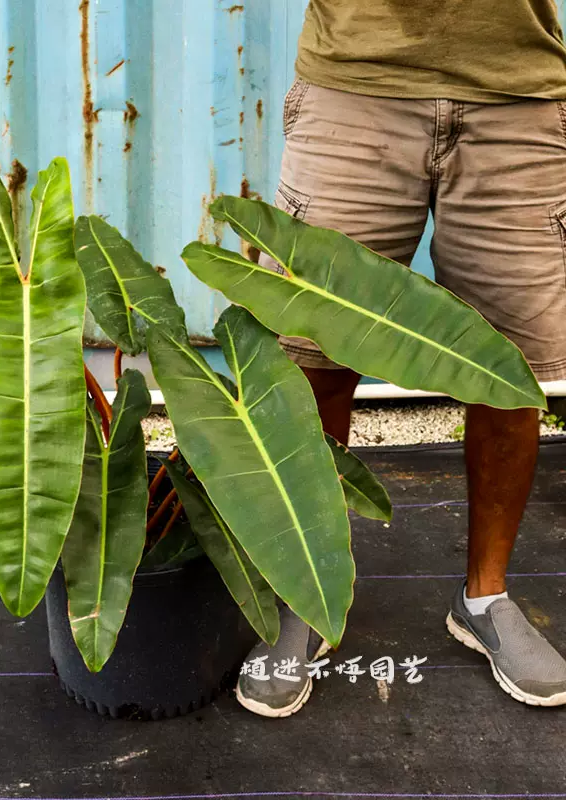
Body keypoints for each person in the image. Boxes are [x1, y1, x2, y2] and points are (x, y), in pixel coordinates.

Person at [236, 0, 566, 717]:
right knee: (311, 356)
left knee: (509, 372)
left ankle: (486, 597)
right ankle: (307, 596)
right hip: (354, 84)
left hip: (517, 98)